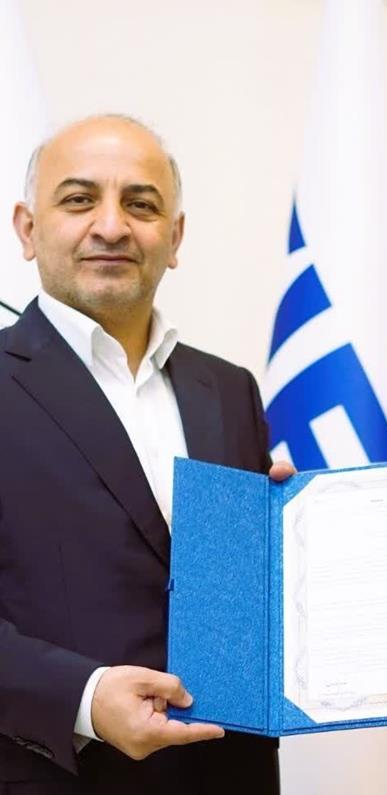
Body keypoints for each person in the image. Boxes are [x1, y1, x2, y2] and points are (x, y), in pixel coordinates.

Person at [0, 115, 282, 794]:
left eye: (140, 204)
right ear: (28, 230)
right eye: (79, 199)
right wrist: (83, 696)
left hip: (231, 774)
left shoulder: (230, 389)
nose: (111, 226)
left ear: (174, 237)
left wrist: (293, 541)